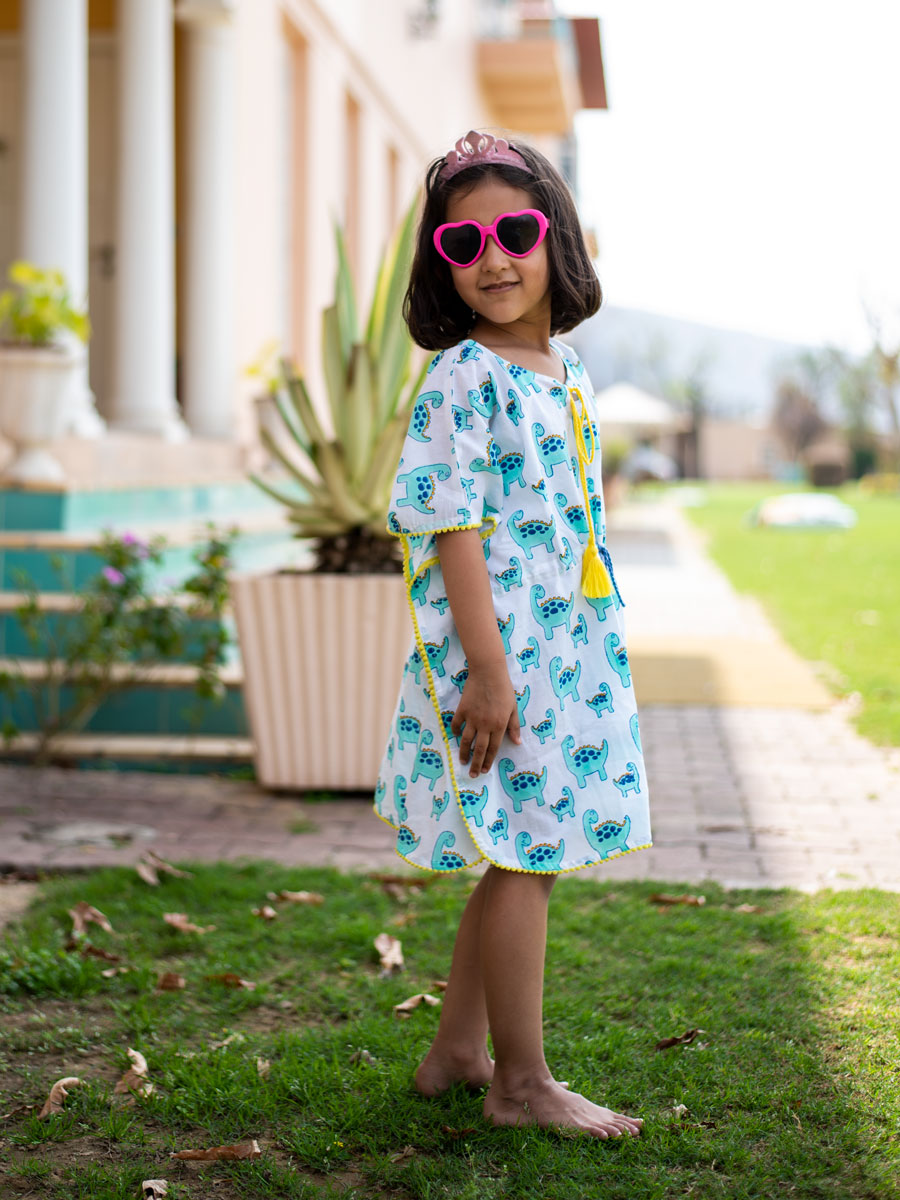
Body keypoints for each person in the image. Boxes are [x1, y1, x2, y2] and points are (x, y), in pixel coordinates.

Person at [373, 130, 651, 1139]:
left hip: (561, 649)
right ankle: (521, 1083)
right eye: (464, 243)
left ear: (555, 240)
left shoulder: (561, 367)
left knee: (519, 848)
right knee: (527, 854)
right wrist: (487, 671)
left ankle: (456, 1051)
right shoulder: (464, 375)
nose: (492, 259)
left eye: (515, 234)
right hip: (502, 655)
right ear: (442, 263)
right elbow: (449, 523)